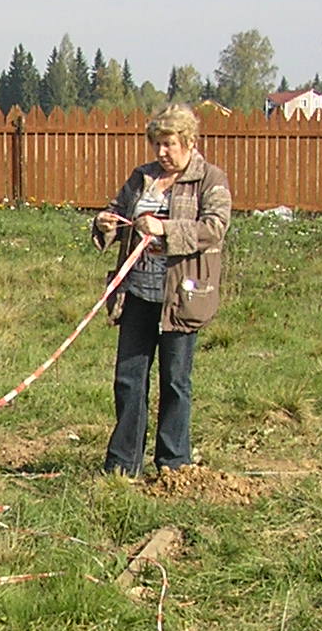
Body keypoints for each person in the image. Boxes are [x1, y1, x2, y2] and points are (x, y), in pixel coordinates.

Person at [89, 105, 232, 478]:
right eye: (157, 144)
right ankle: (123, 464)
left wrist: (165, 229)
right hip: (136, 293)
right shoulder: (141, 178)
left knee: (175, 381)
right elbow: (118, 212)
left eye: (169, 144)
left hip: (182, 297)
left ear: (188, 141)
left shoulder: (210, 179)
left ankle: (173, 463)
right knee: (128, 379)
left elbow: (214, 227)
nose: (161, 153)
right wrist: (105, 222)